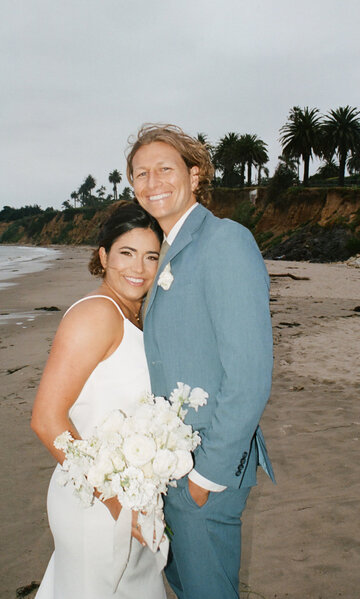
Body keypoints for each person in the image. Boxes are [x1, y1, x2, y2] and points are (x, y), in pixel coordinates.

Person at [126, 124, 275, 599]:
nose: (152, 183)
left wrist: (206, 475)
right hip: (170, 464)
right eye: (141, 173)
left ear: (195, 175)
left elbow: (249, 375)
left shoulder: (225, 242)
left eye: (164, 169)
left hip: (207, 467)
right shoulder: (164, 249)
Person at [31, 202, 166, 599]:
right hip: (96, 505)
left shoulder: (138, 315)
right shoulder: (96, 315)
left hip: (132, 498)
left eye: (151, 256)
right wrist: (116, 504)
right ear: (104, 255)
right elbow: (46, 419)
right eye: (126, 253)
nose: (138, 268)